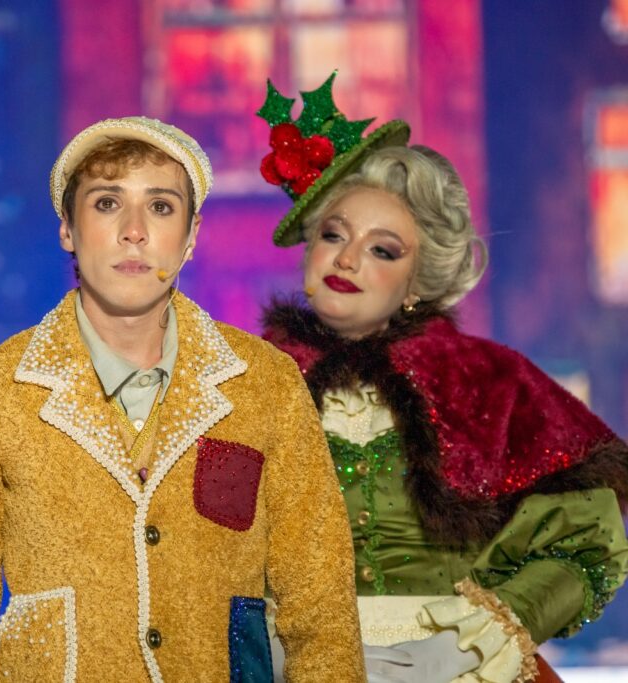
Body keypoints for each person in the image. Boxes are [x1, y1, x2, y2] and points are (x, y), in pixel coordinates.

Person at [0, 116, 365, 680]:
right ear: (67, 228)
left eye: (160, 206)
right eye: (107, 203)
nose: (134, 231)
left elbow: (321, 608)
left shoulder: (265, 383)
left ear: (191, 235)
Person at [257, 73, 628, 683]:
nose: (347, 258)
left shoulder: (488, 382)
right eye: (332, 235)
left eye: (383, 250)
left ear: (417, 283)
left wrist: (479, 638)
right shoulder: (244, 384)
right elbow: (192, 545)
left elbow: (584, 538)